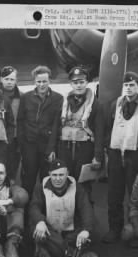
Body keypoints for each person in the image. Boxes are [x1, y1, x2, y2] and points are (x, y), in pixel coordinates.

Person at [94, 71, 138, 243]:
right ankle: (114, 229)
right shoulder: (114, 105)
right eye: (126, 85)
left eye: (132, 85)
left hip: (136, 157)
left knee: (136, 196)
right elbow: (107, 130)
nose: (128, 88)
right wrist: (107, 148)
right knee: (114, 195)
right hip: (117, 156)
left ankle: (136, 231)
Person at [29, 159, 99, 257]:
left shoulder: (77, 187)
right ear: (49, 174)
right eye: (54, 175)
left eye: (61, 175)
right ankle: (73, 255)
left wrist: (86, 230)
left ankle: (52, 249)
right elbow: (34, 207)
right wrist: (40, 221)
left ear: (67, 174)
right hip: (49, 230)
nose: (58, 179)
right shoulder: (40, 187)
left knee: (92, 228)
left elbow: (86, 209)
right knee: (36, 227)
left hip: (69, 231)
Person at [17, 65, 63, 199]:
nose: (41, 84)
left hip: (47, 147)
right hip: (29, 145)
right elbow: (20, 121)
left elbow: (56, 125)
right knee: (28, 181)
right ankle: (25, 214)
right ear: (34, 82)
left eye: (44, 81)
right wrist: (22, 145)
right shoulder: (26, 98)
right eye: (39, 81)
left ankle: (44, 212)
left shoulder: (58, 99)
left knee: (46, 181)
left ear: (49, 81)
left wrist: (51, 148)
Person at [57, 66, 99, 202]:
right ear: (71, 84)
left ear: (87, 83)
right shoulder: (64, 103)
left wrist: (98, 156)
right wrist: (52, 149)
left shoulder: (96, 105)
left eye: (81, 82)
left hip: (85, 149)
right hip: (66, 148)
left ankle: (86, 219)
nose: (79, 85)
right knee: (65, 182)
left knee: (83, 185)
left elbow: (100, 131)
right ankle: (68, 216)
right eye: (75, 82)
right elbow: (56, 126)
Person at [0, 66, 22, 184]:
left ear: (16, 81)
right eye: (6, 79)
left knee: (12, 171)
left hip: (15, 140)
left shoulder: (22, 97)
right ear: (0, 80)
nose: (9, 82)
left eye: (12, 79)